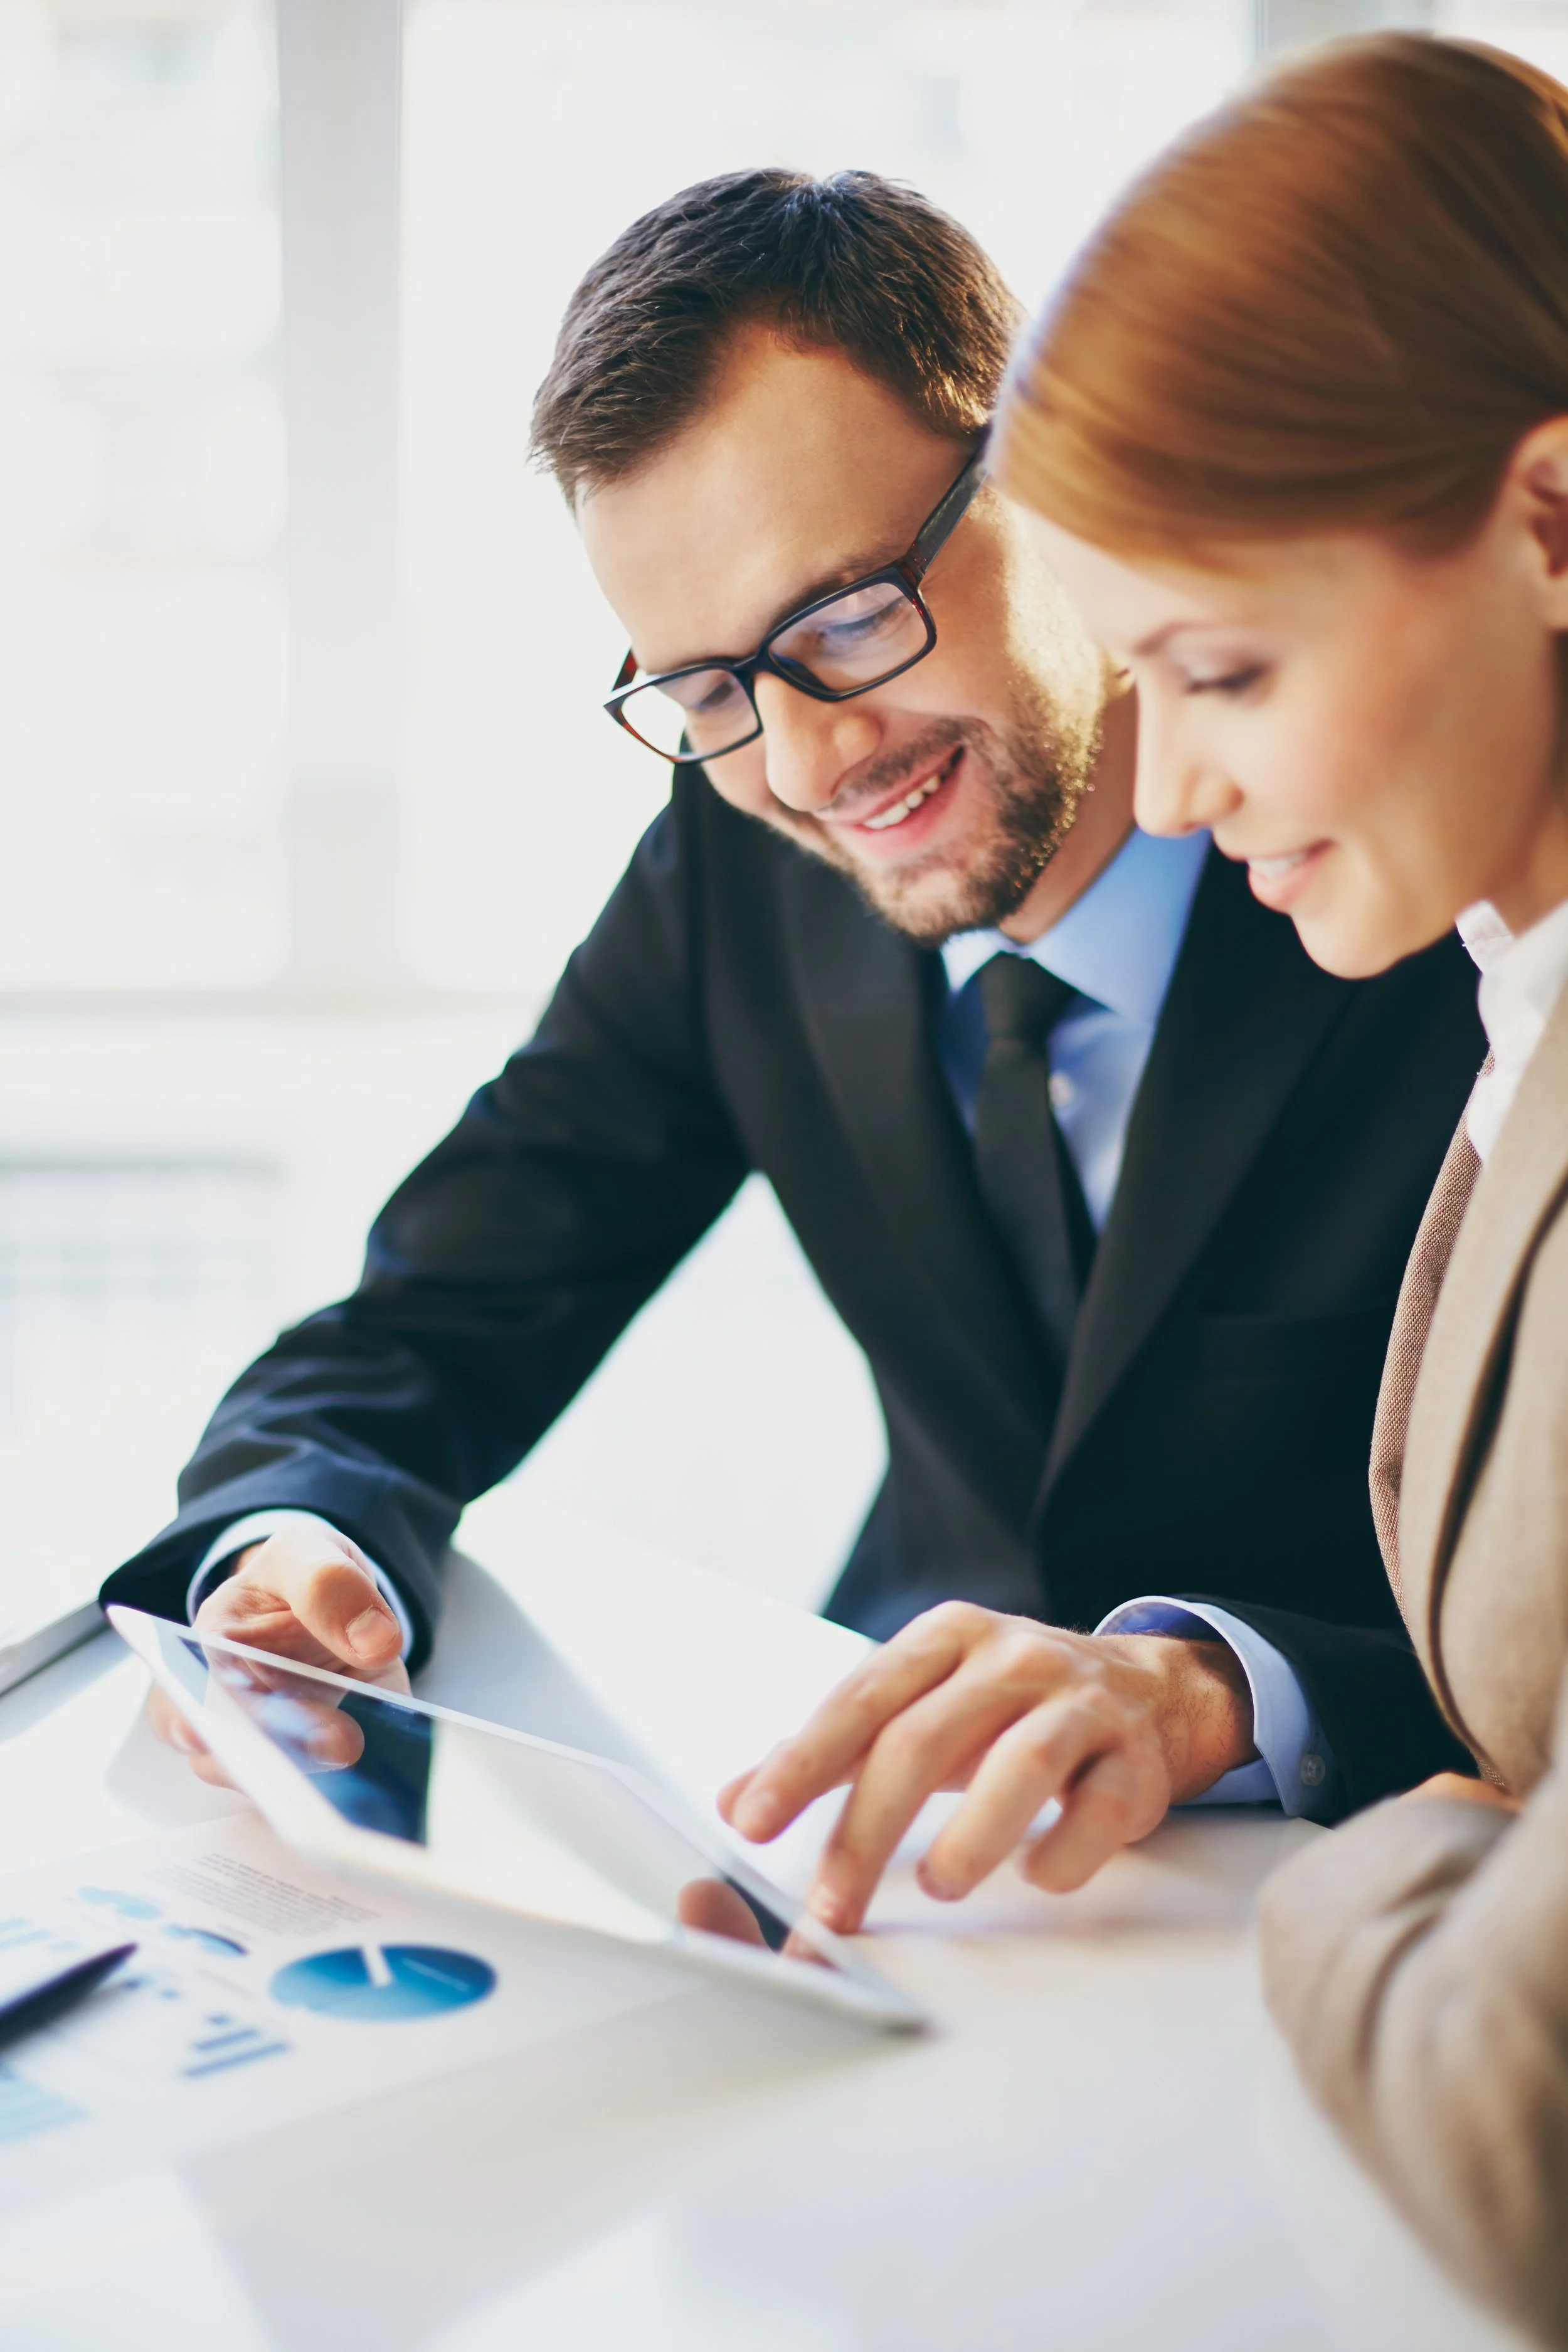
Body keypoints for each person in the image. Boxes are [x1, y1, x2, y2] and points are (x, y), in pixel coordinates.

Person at [108, 169, 1481, 1915]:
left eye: (842, 616)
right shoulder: (731, 874)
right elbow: (431, 1319)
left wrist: (1225, 1684)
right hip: (892, 1863)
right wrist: (285, 1551)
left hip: (1385, 1881)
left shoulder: (1413, 856)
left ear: (1043, 476)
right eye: (703, 692)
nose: (809, 758)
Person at [968, 31, 1568, 2348]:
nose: (1178, 788)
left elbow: (1518, 2121)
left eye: (1220, 670)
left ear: (1542, 523)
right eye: (1137, 683)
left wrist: (1419, 1841)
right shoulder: (1504, 997)